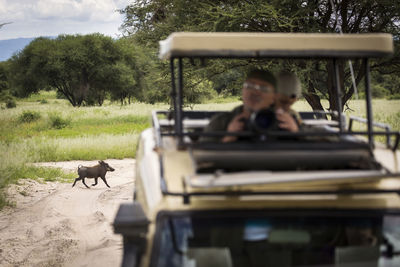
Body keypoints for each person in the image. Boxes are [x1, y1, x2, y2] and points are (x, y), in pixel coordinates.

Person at [202, 69, 298, 143]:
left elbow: (310, 155)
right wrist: (228, 138)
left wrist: (297, 132)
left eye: (263, 88)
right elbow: (200, 158)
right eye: (249, 86)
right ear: (242, 91)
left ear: (274, 97)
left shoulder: (284, 121)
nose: (255, 92)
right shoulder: (221, 122)